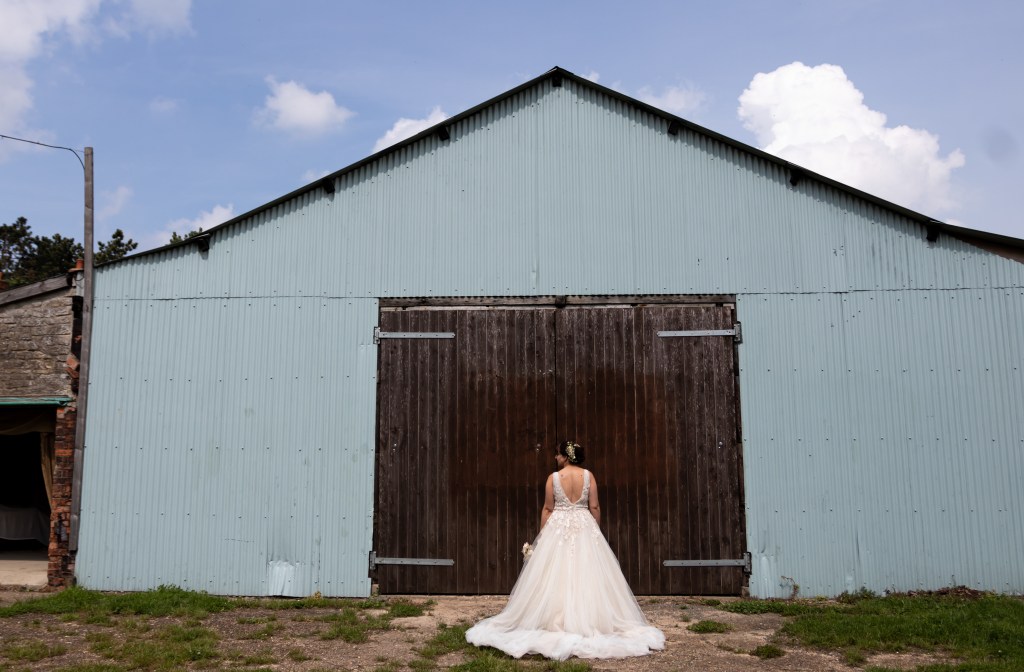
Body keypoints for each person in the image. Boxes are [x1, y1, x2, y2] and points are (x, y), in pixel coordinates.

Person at [465, 441, 665, 660]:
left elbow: (548, 508)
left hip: (558, 528)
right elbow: (595, 506)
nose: (555, 458)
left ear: (566, 457)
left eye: (558, 455)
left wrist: (542, 537)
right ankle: (591, 619)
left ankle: (552, 619)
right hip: (584, 524)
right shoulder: (589, 476)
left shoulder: (554, 478)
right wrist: (594, 530)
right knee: (587, 571)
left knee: (554, 573)